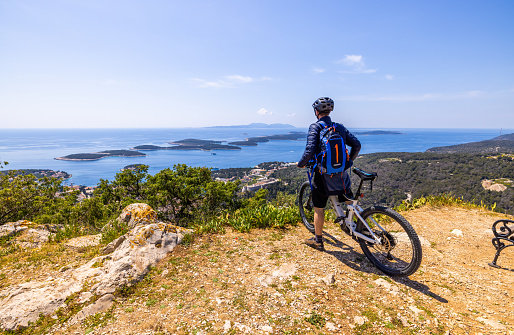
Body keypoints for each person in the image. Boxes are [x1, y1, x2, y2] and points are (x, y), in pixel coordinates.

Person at [297, 97, 361, 251]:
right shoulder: (339, 127)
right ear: (330, 111)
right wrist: (348, 163)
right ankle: (359, 227)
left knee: (319, 208)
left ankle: (318, 241)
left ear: (316, 111)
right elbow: (357, 145)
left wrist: (301, 164)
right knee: (350, 203)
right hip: (341, 174)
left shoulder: (315, 127)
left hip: (322, 175)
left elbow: (310, 150)